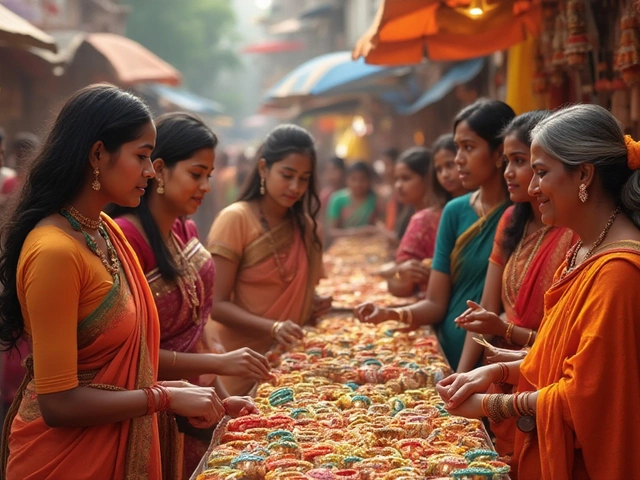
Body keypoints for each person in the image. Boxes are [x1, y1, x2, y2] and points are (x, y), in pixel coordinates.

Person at [0, 84, 226, 479]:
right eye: (141, 156)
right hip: (63, 463)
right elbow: (58, 403)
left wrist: (206, 404)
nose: (149, 170)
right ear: (98, 154)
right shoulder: (54, 250)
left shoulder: (106, 231)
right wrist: (165, 397)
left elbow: (128, 366)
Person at [437, 104, 640, 479]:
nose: (531, 187)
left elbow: (585, 398)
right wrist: (498, 370)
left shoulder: (619, 276)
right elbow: (554, 359)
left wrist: (491, 404)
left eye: (541, 172)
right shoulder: (583, 250)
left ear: (584, 175)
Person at [109, 112, 268, 476]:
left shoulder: (185, 229)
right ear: (160, 170)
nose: (206, 186)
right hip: (152, 411)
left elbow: (197, 335)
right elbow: (131, 355)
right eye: (196, 174)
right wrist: (218, 364)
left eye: (209, 176)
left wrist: (228, 400)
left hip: (200, 405)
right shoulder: (127, 240)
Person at [356, 99, 515, 370]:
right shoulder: (454, 212)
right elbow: (435, 303)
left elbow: (492, 304)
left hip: (498, 361)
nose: (458, 160)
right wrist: (389, 313)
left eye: (469, 147)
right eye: (457, 148)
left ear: (499, 153)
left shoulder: (520, 214)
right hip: (446, 351)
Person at [453, 111, 575, 459]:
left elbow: (563, 348)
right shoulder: (511, 219)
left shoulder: (573, 234)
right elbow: (487, 308)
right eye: (507, 161)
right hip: (504, 377)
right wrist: (460, 376)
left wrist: (505, 328)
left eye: (523, 163)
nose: (509, 173)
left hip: (545, 383)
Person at [207, 124, 329, 396]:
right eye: (287, 175)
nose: (295, 187)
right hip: (239, 364)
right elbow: (216, 305)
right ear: (263, 168)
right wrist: (273, 327)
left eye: (304, 178)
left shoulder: (307, 228)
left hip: (289, 364)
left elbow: (298, 294)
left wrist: (311, 303)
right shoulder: (235, 219)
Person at [380, 136, 468, 297]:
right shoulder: (419, 218)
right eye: (440, 169)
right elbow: (401, 282)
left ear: (428, 179)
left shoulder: (432, 217)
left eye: (406, 178)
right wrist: (401, 272)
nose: (398, 185)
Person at [326, 161, 381, 242]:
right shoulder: (337, 199)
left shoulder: (374, 199)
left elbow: (378, 227)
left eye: (362, 179)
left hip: (368, 246)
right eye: (353, 179)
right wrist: (358, 232)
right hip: (342, 248)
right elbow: (331, 232)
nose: (358, 184)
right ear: (346, 179)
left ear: (369, 180)